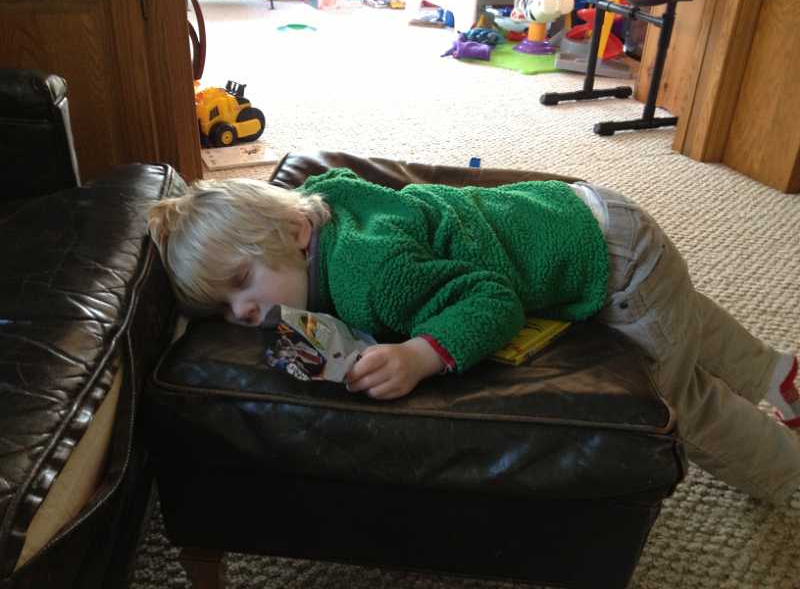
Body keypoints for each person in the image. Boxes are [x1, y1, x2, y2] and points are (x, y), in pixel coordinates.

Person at [147, 167, 800, 506]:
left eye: (242, 282)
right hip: (588, 212)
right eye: (221, 308)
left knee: (677, 394)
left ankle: (784, 471)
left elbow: (494, 302)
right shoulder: (324, 203)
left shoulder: (374, 277)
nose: (242, 312)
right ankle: (781, 375)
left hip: (614, 262)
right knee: (684, 317)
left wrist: (419, 353)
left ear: (295, 234)